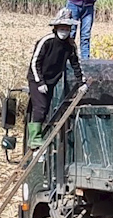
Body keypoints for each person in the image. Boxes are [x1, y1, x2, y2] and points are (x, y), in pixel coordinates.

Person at [26, 14, 85, 147]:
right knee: (40, 107)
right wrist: (40, 82)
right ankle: (34, 138)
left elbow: (76, 64)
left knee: (46, 108)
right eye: (62, 28)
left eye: (67, 28)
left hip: (52, 80)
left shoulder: (70, 45)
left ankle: (39, 134)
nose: (64, 31)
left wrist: (81, 82)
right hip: (38, 79)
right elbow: (35, 62)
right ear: (56, 28)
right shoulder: (47, 41)